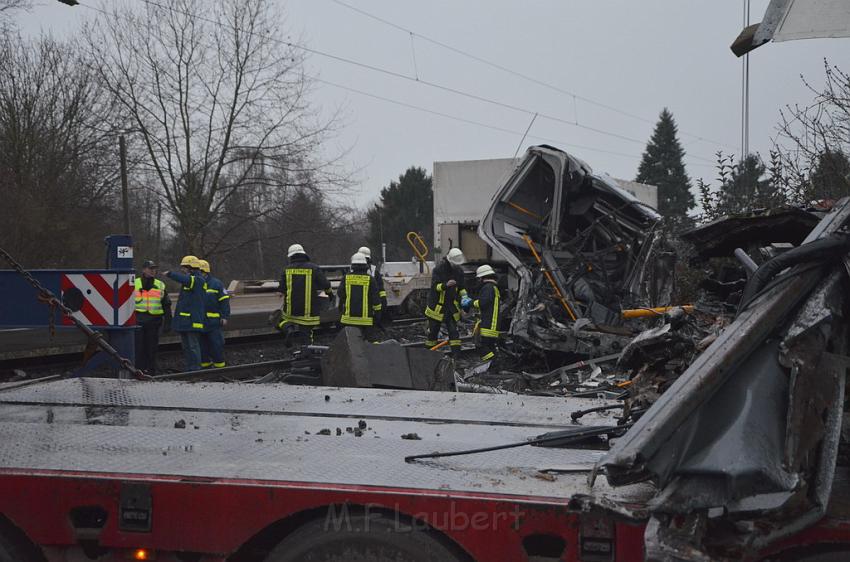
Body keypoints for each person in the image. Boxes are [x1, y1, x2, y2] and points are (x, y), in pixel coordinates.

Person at [277, 243, 332, 345]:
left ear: (291, 256)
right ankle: (307, 353)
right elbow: (325, 284)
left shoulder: (286, 270)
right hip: (308, 312)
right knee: (306, 333)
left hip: (290, 310)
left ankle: (288, 328)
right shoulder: (314, 268)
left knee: (277, 320)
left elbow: (281, 290)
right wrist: (330, 294)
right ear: (304, 254)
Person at [164, 255, 206, 371]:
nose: (182, 270)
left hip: (192, 321)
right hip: (185, 322)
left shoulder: (197, 280)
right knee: (187, 347)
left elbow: (185, 279)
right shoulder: (191, 281)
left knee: (193, 346)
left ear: (191, 268)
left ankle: (195, 369)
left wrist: (170, 274)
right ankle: (190, 368)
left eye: (184, 268)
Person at [424, 247, 468, 357]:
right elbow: (435, 287)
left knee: (454, 332)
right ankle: (429, 355)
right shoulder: (439, 269)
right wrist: (445, 285)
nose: (456, 265)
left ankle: (456, 356)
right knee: (433, 332)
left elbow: (462, 288)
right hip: (437, 307)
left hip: (451, 307)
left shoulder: (459, 271)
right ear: (449, 260)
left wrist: (465, 301)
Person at [133, 260, 171, 375]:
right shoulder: (135, 283)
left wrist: (168, 323)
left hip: (154, 321)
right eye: (150, 269)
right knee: (139, 347)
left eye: (154, 269)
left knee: (152, 348)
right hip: (139, 319)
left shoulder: (160, 285)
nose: (153, 271)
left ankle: (150, 370)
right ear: (144, 270)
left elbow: (166, 305)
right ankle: (139, 369)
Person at [338, 252, 382, 341]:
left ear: (352, 265)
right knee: (370, 343)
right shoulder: (370, 279)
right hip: (366, 321)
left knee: (351, 344)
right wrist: (377, 315)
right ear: (365, 265)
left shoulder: (346, 278)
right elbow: (376, 300)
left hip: (348, 319)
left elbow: (340, 294)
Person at [197, 259, 230, 369]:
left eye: (201, 272)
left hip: (214, 322)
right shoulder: (195, 284)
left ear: (206, 272)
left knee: (216, 345)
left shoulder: (216, 284)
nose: (199, 275)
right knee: (202, 346)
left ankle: (219, 366)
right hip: (200, 321)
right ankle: (205, 366)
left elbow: (224, 301)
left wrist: (224, 316)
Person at [472, 264, 502, 366]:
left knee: (481, 347)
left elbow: (483, 303)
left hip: (488, 323)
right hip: (493, 323)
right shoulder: (494, 287)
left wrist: (471, 303)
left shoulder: (487, 288)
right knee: (490, 346)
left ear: (482, 278)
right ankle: (494, 365)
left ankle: (494, 362)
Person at [357, 246, 387, 317]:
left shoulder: (351, 272)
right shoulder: (374, 272)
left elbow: (380, 290)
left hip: (364, 305)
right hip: (367, 305)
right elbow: (380, 289)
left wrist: (383, 301)